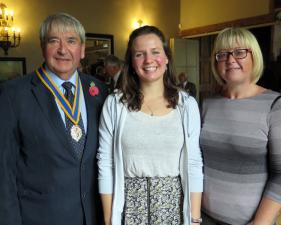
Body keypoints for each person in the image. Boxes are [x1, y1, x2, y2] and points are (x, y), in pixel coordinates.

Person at [0, 13, 108, 225]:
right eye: (53, 41)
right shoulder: (13, 95)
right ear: (42, 47)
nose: (62, 49)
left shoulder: (99, 91)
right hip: (39, 218)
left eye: (71, 41)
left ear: (82, 50)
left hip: (94, 217)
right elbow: (3, 171)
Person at [97, 25, 203, 225]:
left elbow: (194, 163)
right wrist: (109, 219)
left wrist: (195, 218)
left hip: (174, 209)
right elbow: (105, 162)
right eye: (140, 54)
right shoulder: (115, 104)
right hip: (128, 207)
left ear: (166, 58)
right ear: (131, 62)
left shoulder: (187, 105)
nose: (148, 60)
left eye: (155, 52)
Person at [200, 27, 281, 225]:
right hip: (204, 218)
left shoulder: (276, 105)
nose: (230, 59)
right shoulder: (207, 103)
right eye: (223, 54)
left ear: (254, 56)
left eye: (239, 52)